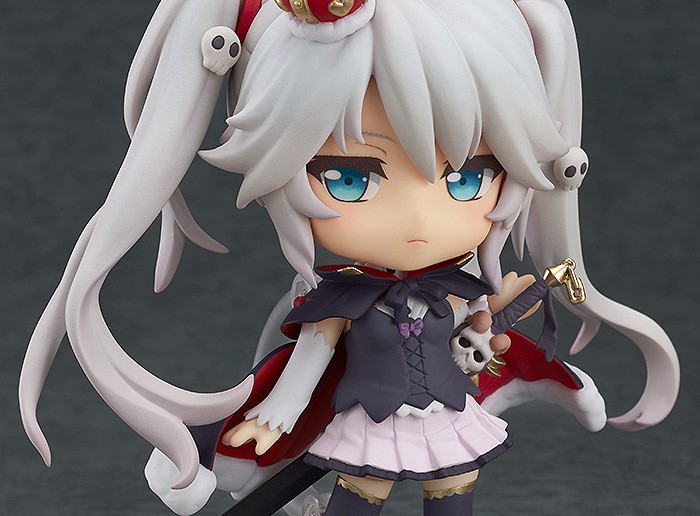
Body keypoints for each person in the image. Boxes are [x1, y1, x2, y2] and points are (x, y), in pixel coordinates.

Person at [19, 0, 679, 514]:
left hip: (445, 413)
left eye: (469, 178)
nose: (419, 219)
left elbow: (484, 331)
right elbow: (307, 363)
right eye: (349, 177)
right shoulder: (341, 301)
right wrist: (276, 417)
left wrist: (489, 332)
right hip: (370, 420)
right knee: (362, 493)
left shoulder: (456, 288)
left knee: (455, 488)